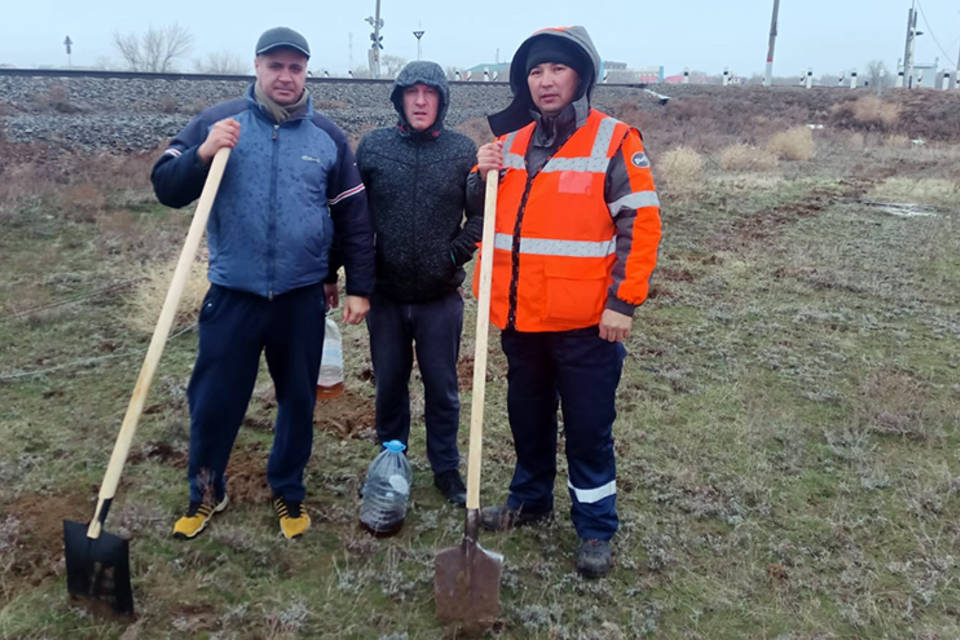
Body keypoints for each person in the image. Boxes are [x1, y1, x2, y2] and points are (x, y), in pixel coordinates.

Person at [151, 26, 375, 540]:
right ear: (257, 67)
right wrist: (202, 154)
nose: (285, 76)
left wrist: (359, 284)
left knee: (298, 399)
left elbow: (354, 217)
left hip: (300, 297)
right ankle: (206, 491)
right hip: (234, 294)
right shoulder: (217, 122)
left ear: (305, 73)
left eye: (296, 67)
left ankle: (288, 491)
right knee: (213, 400)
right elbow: (166, 187)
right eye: (276, 65)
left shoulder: (327, 136)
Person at [469, 26, 662, 578]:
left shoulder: (616, 140)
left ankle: (596, 526)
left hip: (586, 324)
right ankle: (530, 500)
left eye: (556, 69)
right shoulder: (509, 145)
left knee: (587, 427)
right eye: (535, 71)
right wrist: (478, 174)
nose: (545, 80)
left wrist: (623, 302)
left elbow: (640, 224)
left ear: (580, 77)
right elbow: (482, 212)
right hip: (520, 316)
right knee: (526, 418)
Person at [355, 60, 481, 507]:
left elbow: (482, 213)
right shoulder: (372, 148)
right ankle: (393, 463)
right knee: (389, 382)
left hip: (439, 298)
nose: (421, 101)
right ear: (399, 99)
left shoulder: (463, 151)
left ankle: (445, 467)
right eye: (412, 93)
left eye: (430, 93)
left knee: (442, 387)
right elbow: (353, 217)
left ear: (443, 100)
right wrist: (358, 275)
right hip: (387, 297)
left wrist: (453, 254)